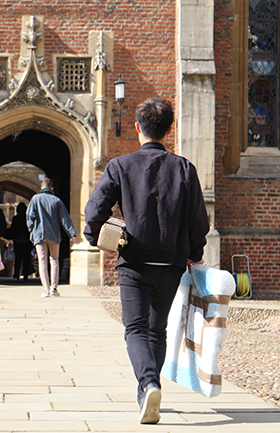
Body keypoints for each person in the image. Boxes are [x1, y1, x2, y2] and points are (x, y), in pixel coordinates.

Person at [83, 97, 210, 424]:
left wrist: (96, 236)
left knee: (135, 328)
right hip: (170, 263)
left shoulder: (120, 166)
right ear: (169, 129)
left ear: (138, 127)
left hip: (134, 262)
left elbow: (94, 211)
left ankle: (148, 384)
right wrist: (195, 253)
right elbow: (199, 220)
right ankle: (148, 392)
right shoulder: (184, 168)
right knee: (157, 331)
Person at [26, 177, 76, 297]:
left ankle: (46, 289)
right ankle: (54, 288)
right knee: (54, 260)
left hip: (39, 234)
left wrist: (31, 230)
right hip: (54, 234)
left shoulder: (35, 199)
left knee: (42, 261)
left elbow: (29, 217)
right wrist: (72, 233)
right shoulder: (57, 201)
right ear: (52, 188)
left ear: (41, 188)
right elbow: (65, 219)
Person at [5, 202, 35, 281]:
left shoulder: (20, 218)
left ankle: (24, 274)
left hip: (23, 240)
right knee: (19, 259)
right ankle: (17, 274)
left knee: (25, 259)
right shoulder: (19, 218)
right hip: (20, 240)